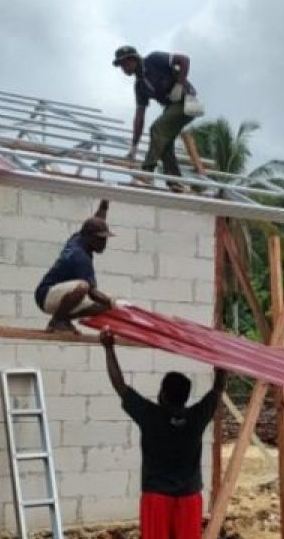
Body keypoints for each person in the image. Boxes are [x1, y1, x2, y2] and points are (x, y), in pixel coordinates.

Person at [101, 328, 226, 539]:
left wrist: (108, 347)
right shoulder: (196, 417)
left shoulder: (151, 415)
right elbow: (217, 391)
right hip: (188, 498)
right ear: (184, 397)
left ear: (162, 394)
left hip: (156, 498)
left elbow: (120, 385)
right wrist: (222, 358)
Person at [112, 45, 199, 185]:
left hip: (188, 101)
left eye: (125, 63)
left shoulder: (154, 60)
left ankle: (147, 171)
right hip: (172, 106)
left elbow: (184, 60)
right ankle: (175, 181)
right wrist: (134, 146)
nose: (124, 68)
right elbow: (139, 117)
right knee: (165, 143)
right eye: (121, 66)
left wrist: (179, 85)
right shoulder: (140, 86)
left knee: (157, 129)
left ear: (134, 59)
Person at [35, 200, 115, 333]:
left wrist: (104, 207)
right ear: (90, 238)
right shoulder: (79, 256)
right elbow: (92, 292)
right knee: (84, 287)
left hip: (64, 295)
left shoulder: (80, 236)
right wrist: (111, 303)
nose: (104, 244)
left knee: (102, 306)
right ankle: (57, 321)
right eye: (101, 239)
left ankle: (63, 319)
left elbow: (96, 221)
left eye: (105, 239)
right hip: (46, 296)